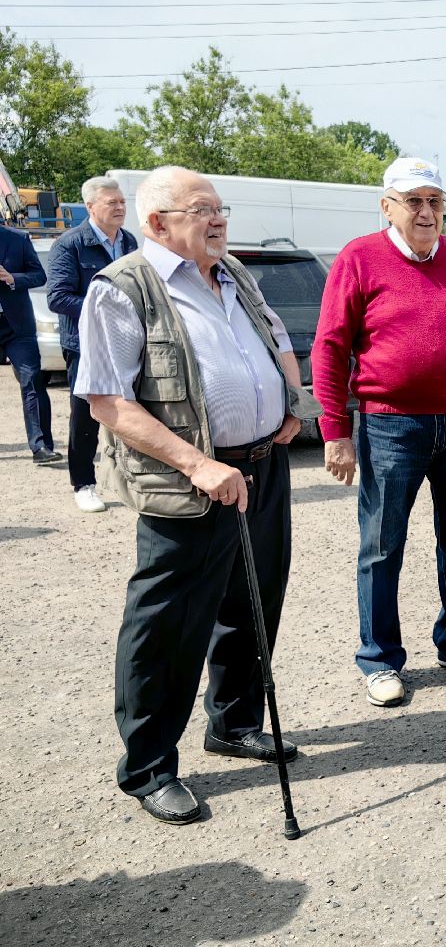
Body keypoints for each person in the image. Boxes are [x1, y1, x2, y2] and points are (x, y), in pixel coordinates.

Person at [76, 166, 314, 825]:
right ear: (157, 223)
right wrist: (197, 465)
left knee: (254, 603)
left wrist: (290, 403)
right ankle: (149, 766)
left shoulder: (234, 273)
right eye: (202, 209)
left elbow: (273, 339)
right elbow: (108, 402)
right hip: (188, 484)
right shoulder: (124, 289)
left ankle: (233, 724)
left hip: (263, 471)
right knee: (168, 625)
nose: (219, 219)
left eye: (221, 208)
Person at [313, 157, 446, 709]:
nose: (426, 212)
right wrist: (336, 431)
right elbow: (330, 347)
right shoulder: (360, 258)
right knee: (381, 546)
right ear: (388, 207)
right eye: (414, 201)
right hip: (389, 424)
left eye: (434, 202)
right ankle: (379, 659)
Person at [46, 177, 140, 511]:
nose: (119, 207)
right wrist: (104, 309)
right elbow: (58, 298)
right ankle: (83, 483)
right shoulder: (70, 244)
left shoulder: (129, 242)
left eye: (122, 202)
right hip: (84, 342)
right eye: (111, 202)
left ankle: (131, 478)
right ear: (90, 206)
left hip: (126, 341)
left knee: (132, 407)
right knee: (86, 413)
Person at [0, 221, 59, 464]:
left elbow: (39, 275)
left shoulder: (17, 239)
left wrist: (12, 278)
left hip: (17, 328)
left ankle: (41, 446)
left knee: (32, 380)